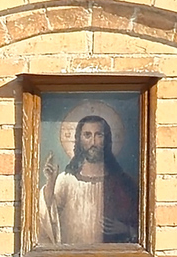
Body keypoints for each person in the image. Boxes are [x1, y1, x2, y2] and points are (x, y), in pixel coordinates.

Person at [38, 104, 138, 246]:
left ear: (107, 139)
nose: (93, 142)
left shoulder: (123, 182)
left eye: (99, 135)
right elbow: (46, 215)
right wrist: (51, 183)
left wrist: (126, 229)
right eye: (87, 135)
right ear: (79, 140)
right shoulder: (65, 180)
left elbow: (139, 225)